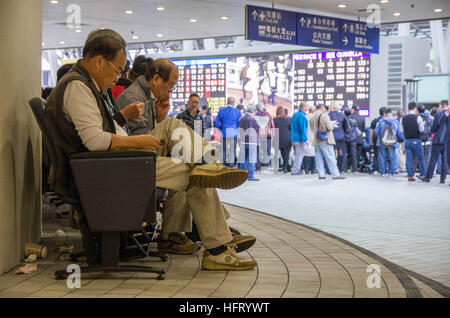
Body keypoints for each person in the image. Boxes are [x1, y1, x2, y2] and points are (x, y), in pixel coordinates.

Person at [45, 29, 256, 271]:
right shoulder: (78, 87)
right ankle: (218, 247)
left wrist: (135, 131)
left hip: (110, 163)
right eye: (116, 70)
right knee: (195, 177)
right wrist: (139, 142)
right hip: (106, 168)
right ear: (99, 61)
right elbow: (96, 141)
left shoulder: (86, 85)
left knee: (173, 125)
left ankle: (206, 164)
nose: (118, 78)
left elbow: (105, 131)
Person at [115, 61, 159, 136]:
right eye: (170, 85)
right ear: (155, 78)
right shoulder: (134, 96)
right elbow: (139, 135)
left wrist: (161, 117)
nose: (116, 80)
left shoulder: (147, 95)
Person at [310, 104, 345, 180]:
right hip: (325, 139)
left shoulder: (312, 116)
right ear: (322, 108)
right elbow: (329, 127)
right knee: (330, 157)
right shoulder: (324, 115)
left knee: (318, 158)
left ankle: (321, 175)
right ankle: (335, 175)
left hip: (316, 139)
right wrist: (332, 125)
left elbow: (312, 127)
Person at [419, 100, 449, 183]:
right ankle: (443, 179)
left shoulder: (438, 115)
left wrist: (433, 131)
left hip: (438, 140)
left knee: (433, 159)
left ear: (441, 105)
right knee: (445, 160)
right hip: (447, 141)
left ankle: (428, 177)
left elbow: (434, 128)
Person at [400, 102, 427, 181]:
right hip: (416, 140)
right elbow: (421, 130)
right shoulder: (418, 118)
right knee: (421, 158)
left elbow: (401, 130)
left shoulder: (403, 118)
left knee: (408, 159)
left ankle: (410, 176)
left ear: (408, 108)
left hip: (407, 141)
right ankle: (423, 174)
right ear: (415, 109)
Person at [214, 97, 242, 167]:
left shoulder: (222, 110)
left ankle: (222, 164)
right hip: (233, 133)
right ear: (234, 103)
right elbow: (240, 122)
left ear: (227, 102)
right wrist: (237, 129)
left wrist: (220, 127)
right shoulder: (237, 112)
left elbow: (216, 121)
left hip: (224, 132)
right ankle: (231, 164)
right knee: (232, 149)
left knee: (223, 149)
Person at [374, 108, 401, 176]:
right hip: (392, 142)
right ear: (391, 113)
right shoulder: (396, 121)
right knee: (392, 157)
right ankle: (391, 173)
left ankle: (382, 172)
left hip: (382, 142)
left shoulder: (381, 121)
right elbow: (399, 132)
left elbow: (376, 132)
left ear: (385, 113)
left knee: (382, 157)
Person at [238, 106, 260, 181]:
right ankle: (250, 176)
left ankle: (241, 176)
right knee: (252, 159)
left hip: (243, 141)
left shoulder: (241, 119)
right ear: (252, 112)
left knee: (243, 159)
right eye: (254, 113)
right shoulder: (253, 120)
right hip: (252, 141)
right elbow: (257, 128)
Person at [254, 103, 275, 170]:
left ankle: (258, 165)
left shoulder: (255, 116)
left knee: (258, 151)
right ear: (263, 108)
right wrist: (273, 135)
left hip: (258, 135)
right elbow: (272, 125)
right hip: (267, 135)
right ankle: (266, 165)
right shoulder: (268, 115)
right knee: (267, 150)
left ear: (256, 109)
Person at [290, 102, 308, 175]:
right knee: (299, 155)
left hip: (293, 137)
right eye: (306, 106)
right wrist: (305, 139)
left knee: (296, 154)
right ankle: (295, 170)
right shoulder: (302, 116)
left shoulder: (295, 114)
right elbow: (302, 128)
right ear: (303, 107)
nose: (307, 108)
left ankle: (295, 169)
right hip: (299, 139)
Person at [273, 106, 291, 174]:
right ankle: (286, 166)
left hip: (278, 139)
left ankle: (286, 166)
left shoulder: (274, 120)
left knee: (283, 153)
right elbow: (291, 128)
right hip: (287, 138)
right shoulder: (289, 119)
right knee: (286, 153)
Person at [328, 101, 345, 173]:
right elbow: (346, 125)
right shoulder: (342, 115)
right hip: (340, 136)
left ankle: (332, 169)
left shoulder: (328, 115)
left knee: (332, 153)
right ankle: (340, 169)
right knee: (340, 152)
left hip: (331, 136)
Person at [343, 106, 360, 174]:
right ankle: (355, 170)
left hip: (344, 139)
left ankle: (343, 170)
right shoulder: (354, 120)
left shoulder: (343, 120)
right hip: (353, 139)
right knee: (353, 155)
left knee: (344, 154)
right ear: (350, 113)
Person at [370, 107, 385, 174]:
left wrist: (371, 140)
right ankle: (383, 169)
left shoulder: (375, 120)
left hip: (375, 139)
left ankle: (375, 169)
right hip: (385, 139)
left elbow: (371, 131)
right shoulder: (386, 120)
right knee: (384, 154)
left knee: (376, 154)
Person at [350, 105, 366, 170]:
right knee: (358, 154)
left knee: (352, 154)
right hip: (359, 138)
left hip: (352, 138)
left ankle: (352, 167)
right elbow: (363, 129)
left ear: (353, 109)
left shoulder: (350, 117)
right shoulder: (362, 118)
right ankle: (357, 167)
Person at [303, 106, 316, 174]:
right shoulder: (315, 117)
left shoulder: (305, 117)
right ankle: (313, 169)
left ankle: (306, 169)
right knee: (314, 154)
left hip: (306, 136)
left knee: (305, 153)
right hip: (314, 136)